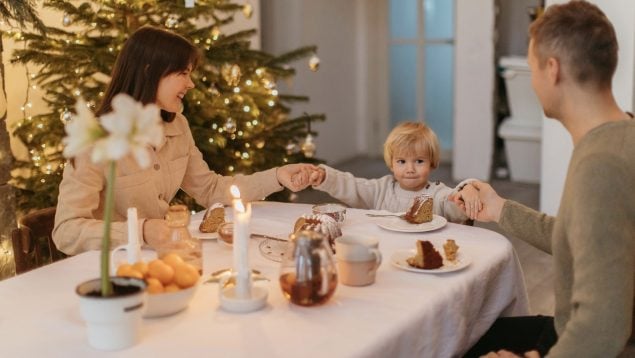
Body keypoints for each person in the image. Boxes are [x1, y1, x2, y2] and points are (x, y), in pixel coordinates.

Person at [464, 2, 635, 357]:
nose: (533, 80)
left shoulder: (601, 165)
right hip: (577, 332)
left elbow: (602, 328)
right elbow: (582, 237)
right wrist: (499, 209)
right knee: (468, 329)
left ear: (553, 70)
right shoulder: (619, 135)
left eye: (532, 68)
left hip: (584, 342)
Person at [53, 26, 315, 255]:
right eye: (182, 73)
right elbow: (66, 230)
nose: (190, 84)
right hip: (111, 277)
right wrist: (141, 231)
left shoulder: (177, 126)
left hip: (159, 262)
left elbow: (211, 189)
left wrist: (278, 176)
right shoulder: (98, 140)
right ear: (149, 72)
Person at [300, 122, 480, 223]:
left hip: (424, 254)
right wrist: (325, 177)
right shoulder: (380, 189)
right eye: (402, 161)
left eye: (419, 161)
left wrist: (467, 191)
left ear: (432, 163)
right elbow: (351, 186)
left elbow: (456, 207)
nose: (410, 169)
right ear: (391, 164)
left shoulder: (438, 194)